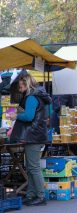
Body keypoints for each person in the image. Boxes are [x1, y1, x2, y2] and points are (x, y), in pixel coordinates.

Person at [10, 73, 51, 206]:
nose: (20, 90)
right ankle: (31, 194)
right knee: (31, 167)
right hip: (35, 135)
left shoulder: (31, 98)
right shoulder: (35, 96)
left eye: (21, 87)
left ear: (27, 85)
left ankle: (40, 196)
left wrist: (15, 115)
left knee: (33, 167)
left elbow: (28, 116)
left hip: (33, 136)